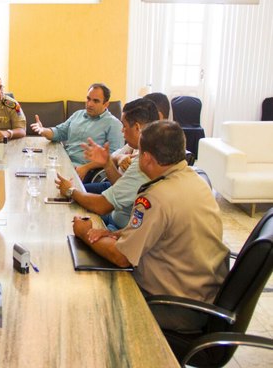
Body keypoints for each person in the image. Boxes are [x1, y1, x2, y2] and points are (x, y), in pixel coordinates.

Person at [72, 121, 229, 332]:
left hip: (172, 305)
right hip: (201, 296)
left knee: (90, 300)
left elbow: (121, 257)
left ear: (146, 158)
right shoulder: (196, 180)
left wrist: (85, 233)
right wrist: (114, 233)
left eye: (139, 153)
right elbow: (158, 229)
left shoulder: (157, 196)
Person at [56, 99, 158, 230]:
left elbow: (102, 206)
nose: (122, 131)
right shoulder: (143, 150)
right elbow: (121, 185)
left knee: (69, 222)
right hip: (114, 215)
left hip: (119, 228)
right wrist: (108, 163)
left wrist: (71, 191)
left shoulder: (143, 162)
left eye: (125, 126)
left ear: (137, 128)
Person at [30, 83, 124, 181]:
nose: (90, 104)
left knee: (43, 181)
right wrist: (43, 130)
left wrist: (86, 167)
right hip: (63, 162)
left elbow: (114, 157)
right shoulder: (78, 114)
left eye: (96, 101)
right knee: (32, 169)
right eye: (88, 99)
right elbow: (60, 132)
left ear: (106, 104)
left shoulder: (114, 124)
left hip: (86, 171)